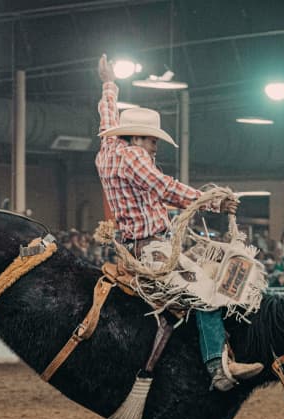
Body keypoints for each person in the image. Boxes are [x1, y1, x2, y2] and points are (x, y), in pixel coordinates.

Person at [95, 54, 261, 391]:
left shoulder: (108, 148)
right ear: (137, 138)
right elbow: (164, 187)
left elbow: (106, 117)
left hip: (136, 246)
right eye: (152, 140)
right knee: (207, 294)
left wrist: (108, 84)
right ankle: (217, 368)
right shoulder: (134, 157)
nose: (155, 146)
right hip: (152, 250)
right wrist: (212, 200)